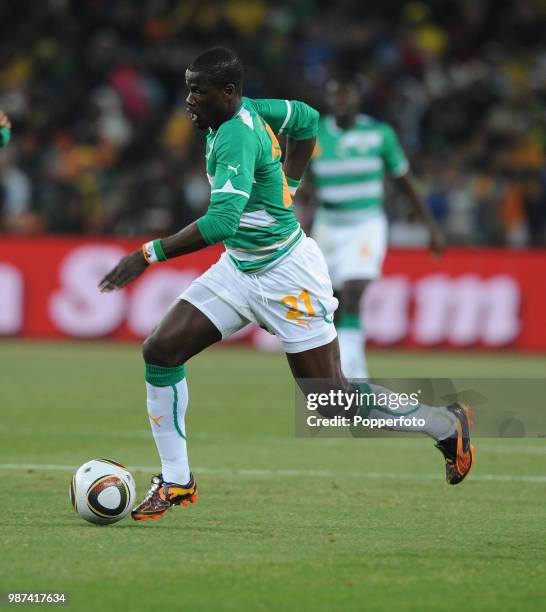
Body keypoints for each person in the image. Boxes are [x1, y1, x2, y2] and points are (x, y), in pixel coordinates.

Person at [98, 48, 473, 522]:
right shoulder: (253, 110)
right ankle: (177, 480)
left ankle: (443, 422)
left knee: (332, 400)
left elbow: (221, 221)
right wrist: (290, 182)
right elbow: (309, 119)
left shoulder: (235, 133)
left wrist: (146, 254)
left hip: (287, 275)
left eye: (199, 90)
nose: (189, 99)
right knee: (161, 350)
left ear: (228, 92)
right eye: (188, 87)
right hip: (239, 268)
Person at [307, 76, 445, 378]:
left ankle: (355, 371)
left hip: (365, 223)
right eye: (335, 97)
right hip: (328, 224)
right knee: (334, 300)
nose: (341, 102)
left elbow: (404, 183)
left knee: (355, 289)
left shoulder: (379, 135)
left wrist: (430, 227)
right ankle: (338, 368)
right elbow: (303, 184)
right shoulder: (315, 136)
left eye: (346, 96)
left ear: (358, 99)